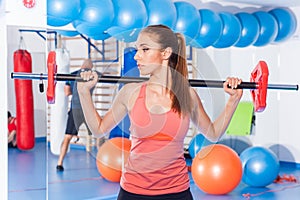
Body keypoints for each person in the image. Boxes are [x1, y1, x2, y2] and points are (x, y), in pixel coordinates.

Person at [77, 25, 243, 200]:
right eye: (137, 50)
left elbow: (213, 133)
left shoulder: (187, 95)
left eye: (145, 49)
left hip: (177, 192)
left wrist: (233, 100)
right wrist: (83, 92)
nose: (136, 56)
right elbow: (98, 129)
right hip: (134, 192)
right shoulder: (130, 92)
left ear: (165, 53)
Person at [56, 59, 95, 172]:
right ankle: (102, 162)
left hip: (75, 110)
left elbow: (67, 92)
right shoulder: (93, 75)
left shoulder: (72, 75)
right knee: (99, 133)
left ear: (81, 65)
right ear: (91, 67)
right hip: (87, 110)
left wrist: (75, 91)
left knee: (67, 137)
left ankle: (59, 163)